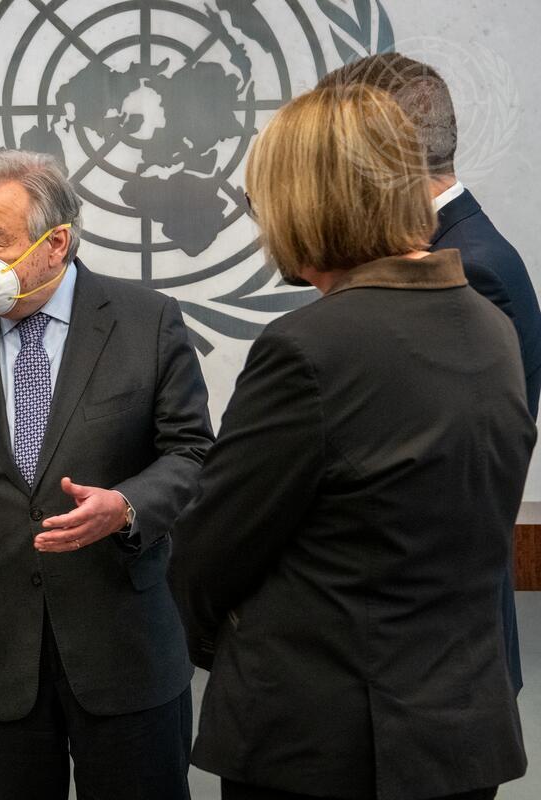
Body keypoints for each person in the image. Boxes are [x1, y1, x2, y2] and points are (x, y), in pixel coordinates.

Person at [169, 85, 533, 800]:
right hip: (461, 735)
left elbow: (210, 552)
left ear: (306, 203)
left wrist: (233, 646)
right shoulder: (491, 326)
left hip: (323, 744)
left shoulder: (309, 346)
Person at [0, 150, 214, 800]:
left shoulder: (147, 322)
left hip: (124, 649)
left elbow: (194, 453)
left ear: (56, 243)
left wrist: (127, 506)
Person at [319, 53, 541, 693]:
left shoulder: (467, 268)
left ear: (378, 149)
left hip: (434, 656)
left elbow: (435, 481)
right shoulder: (457, 247)